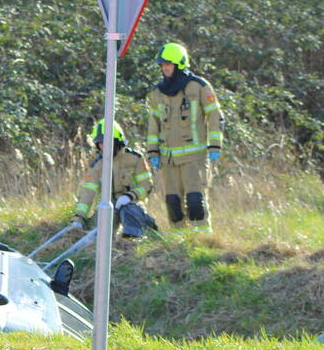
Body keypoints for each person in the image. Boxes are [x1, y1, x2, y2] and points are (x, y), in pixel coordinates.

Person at [145, 42, 224, 232]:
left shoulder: (199, 87)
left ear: (180, 64)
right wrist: (153, 152)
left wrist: (215, 146)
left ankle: (202, 241)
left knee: (195, 201)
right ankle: (178, 243)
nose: (165, 69)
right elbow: (153, 124)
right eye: (162, 65)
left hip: (194, 158)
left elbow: (215, 115)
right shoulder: (157, 93)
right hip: (168, 159)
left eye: (168, 64)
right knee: (173, 203)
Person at [71, 119, 154, 238]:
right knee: (96, 234)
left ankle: (134, 237)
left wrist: (129, 196)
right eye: (100, 143)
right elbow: (88, 193)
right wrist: (78, 218)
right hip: (108, 206)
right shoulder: (96, 165)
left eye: (106, 142)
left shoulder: (135, 158)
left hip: (132, 203)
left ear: (117, 142)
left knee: (129, 210)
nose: (103, 146)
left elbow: (147, 185)